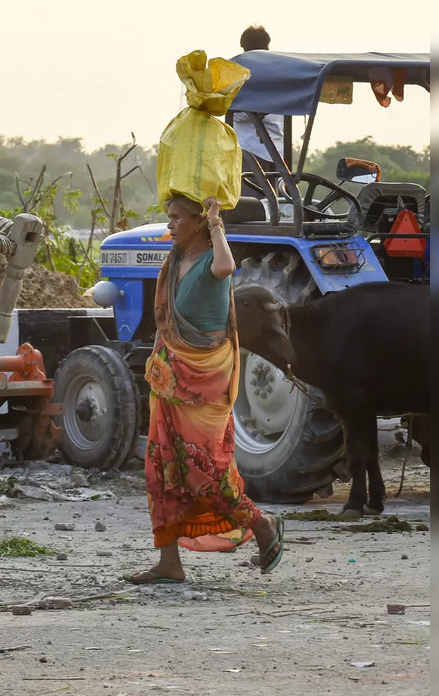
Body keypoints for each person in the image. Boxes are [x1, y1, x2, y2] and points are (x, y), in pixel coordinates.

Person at [124, 194, 285, 584]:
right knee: (162, 466)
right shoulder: (175, 259)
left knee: (205, 471)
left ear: (198, 222)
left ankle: (261, 525)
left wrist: (216, 221)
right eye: (169, 217)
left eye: (178, 218)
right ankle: (169, 562)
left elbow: (227, 264)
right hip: (169, 376)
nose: (170, 225)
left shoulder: (214, 263)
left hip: (203, 377)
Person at [232, 25, 286, 189]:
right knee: (258, 203)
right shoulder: (279, 72)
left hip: (272, 150)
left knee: (266, 202)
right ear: (268, 46)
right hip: (252, 150)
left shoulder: (233, 73)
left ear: (243, 46)